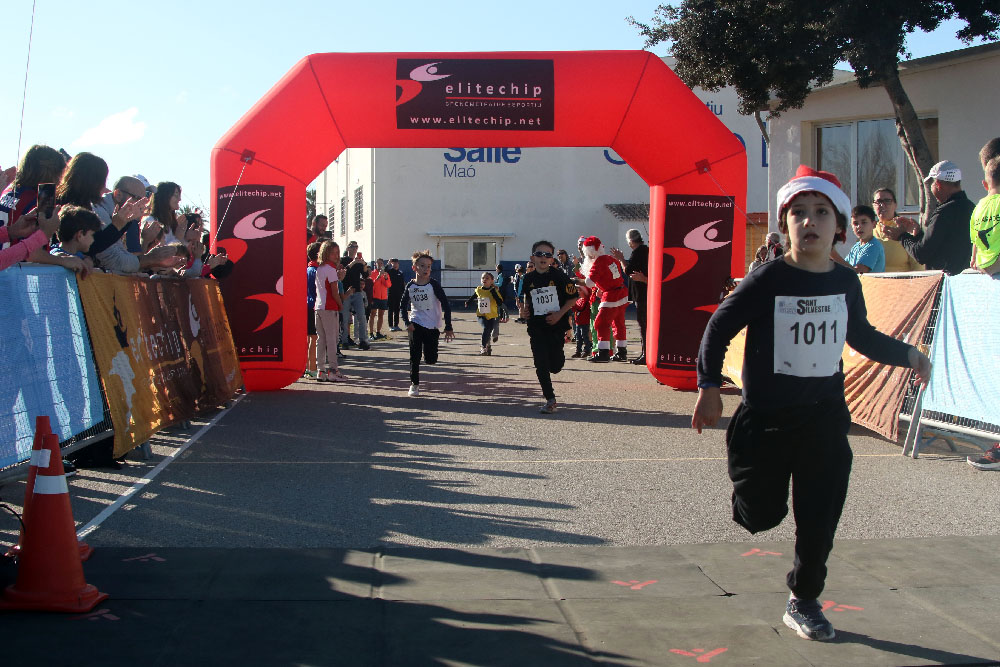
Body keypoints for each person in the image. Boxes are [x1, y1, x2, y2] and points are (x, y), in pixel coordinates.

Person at [692, 165, 932, 642]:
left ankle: (804, 599)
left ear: (838, 225)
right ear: (785, 224)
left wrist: (909, 355)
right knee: (761, 515)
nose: (809, 221)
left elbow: (860, 335)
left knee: (819, 515)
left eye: (821, 212)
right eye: (798, 212)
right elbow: (718, 328)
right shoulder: (767, 279)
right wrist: (709, 386)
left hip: (823, 418)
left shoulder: (846, 283)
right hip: (764, 421)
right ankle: (753, 497)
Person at [879, 161, 974, 276]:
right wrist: (918, 234)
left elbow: (921, 254)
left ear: (938, 184)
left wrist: (901, 236)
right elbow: (937, 247)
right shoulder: (971, 208)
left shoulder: (944, 212)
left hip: (945, 284)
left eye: (932, 184)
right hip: (967, 282)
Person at [519, 240, 577, 413]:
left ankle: (557, 362)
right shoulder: (528, 278)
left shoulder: (558, 276)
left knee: (555, 366)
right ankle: (550, 399)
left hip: (556, 327)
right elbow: (527, 298)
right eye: (539, 254)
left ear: (552, 259)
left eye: (547, 255)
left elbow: (573, 297)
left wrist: (559, 314)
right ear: (532, 258)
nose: (543, 258)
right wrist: (525, 310)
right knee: (540, 364)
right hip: (536, 327)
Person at [400, 250, 454, 397]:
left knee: (431, 359)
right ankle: (414, 384)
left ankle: (428, 351)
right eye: (422, 266)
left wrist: (448, 326)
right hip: (415, 323)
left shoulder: (434, 285)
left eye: (429, 266)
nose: (426, 269)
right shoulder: (410, 286)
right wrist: (407, 323)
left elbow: (446, 305)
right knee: (414, 356)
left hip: (432, 326)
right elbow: (402, 306)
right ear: (414, 268)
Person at [580, 236, 629, 362]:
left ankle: (603, 353)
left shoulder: (598, 262)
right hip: (621, 293)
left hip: (611, 296)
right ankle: (622, 352)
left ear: (590, 252)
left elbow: (590, 282)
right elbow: (614, 275)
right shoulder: (610, 259)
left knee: (600, 323)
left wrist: (582, 281)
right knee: (618, 323)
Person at [611, 228, 649, 364]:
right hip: (642, 294)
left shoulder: (639, 252)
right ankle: (645, 353)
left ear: (631, 241)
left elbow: (628, 270)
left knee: (644, 324)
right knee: (643, 324)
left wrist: (621, 258)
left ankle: (646, 355)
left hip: (642, 295)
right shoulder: (644, 251)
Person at [314, 240, 346, 382]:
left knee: (321, 340)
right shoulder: (331, 269)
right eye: (333, 253)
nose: (336, 255)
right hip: (329, 307)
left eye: (337, 253)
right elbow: (334, 291)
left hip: (319, 307)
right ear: (326, 253)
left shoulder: (320, 268)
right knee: (332, 340)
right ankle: (333, 370)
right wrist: (340, 304)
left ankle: (320, 370)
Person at [869, 187, 922, 272]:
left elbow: (918, 264)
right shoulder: (868, 231)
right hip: (875, 283)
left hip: (901, 282)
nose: (882, 205)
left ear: (895, 205)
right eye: (878, 202)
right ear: (873, 206)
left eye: (887, 201)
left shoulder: (905, 228)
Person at [464, 271, 507, 355]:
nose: (484, 279)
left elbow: (500, 301)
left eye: (487, 278)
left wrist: (494, 294)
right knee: (486, 328)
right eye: (483, 278)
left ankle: (488, 345)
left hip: (491, 315)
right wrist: (468, 302)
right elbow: (474, 296)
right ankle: (483, 347)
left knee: (489, 330)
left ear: (492, 281)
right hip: (481, 314)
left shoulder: (493, 290)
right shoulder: (479, 289)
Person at [338, 241, 369, 350]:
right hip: (346, 291)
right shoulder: (343, 260)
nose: (355, 248)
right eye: (353, 246)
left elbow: (365, 275)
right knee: (345, 318)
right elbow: (343, 272)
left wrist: (364, 264)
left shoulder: (359, 262)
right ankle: (345, 340)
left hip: (357, 292)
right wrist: (353, 263)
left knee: (361, 316)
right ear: (348, 248)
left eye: (356, 247)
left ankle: (362, 341)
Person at [844, 205, 885, 274]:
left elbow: (858, 272)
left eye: (864, 222)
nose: (859, 226)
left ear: (874, 224)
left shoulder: (874, 246)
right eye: (855, 223)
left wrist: (834, 255)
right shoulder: (856, 246)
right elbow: (843, 267)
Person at [305, 242, 321, 378]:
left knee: (310, 338)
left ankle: (307, 366)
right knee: (313, 338)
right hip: (313, 305)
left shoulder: (309, 269)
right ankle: (312, 368)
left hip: (308, 305)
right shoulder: (315, 270)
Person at [368, 258, 391, 340]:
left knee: (381, 315)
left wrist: (385, 278)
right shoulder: (372, 273)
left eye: (381, 263)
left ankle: (378, 332)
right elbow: (372, 284)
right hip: (375, 297)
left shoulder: (386, 273)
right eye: (378, 263)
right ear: (375, 264)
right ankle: (371, 333)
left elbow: (388, 285)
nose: (380, 265)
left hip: (383, 297)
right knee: (372, 314)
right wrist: (378, 276)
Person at [386, 258, 405, 331]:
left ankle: (396, 325)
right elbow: (384, 270)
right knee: (390, 310)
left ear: (398, 264)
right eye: (393, 263)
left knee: (397, 310)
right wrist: (388, 263)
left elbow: (402, 284)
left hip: (399, 294)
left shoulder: (400, 272)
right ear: (391, 264)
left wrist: (403, 293)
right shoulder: (389, 271)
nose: (395, 264)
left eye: (396, 263)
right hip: (391, 293)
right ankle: (391, 326)